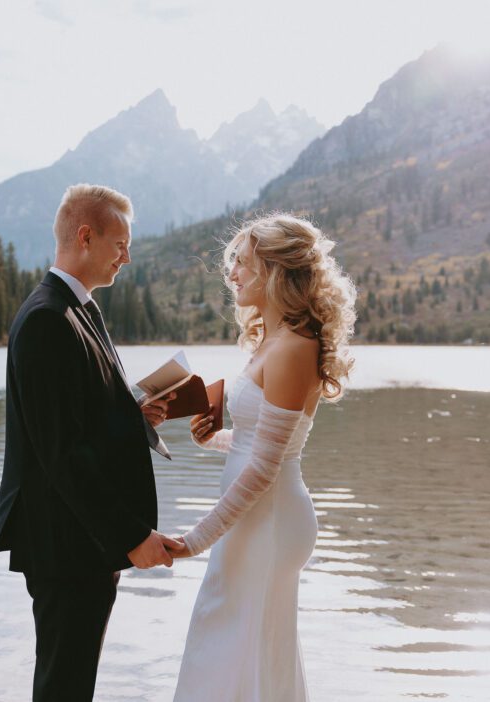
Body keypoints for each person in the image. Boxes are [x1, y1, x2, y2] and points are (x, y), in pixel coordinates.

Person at [0, 183, 182, 702]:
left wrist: (134, 417)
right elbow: (60, 454)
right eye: (120, 244)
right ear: (85, 236)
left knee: (73, 682)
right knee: (63, 685)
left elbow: (78, 424)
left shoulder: (80, 309)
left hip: (84, 541)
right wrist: (130, 536)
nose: (127, 256)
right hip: (65, 545)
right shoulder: (47, 319)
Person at [169, 214, 357, 701]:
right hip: (255, 517)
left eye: (243, 264)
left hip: (270, 521)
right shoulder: (271, 342)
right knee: (230, 642)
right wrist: (213, 440)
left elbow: (266, 465)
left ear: (275, 272)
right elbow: (259, 444)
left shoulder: (294, 347)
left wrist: (194, 539)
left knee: (246, 645)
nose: (232, 274)